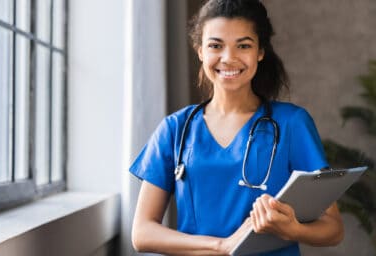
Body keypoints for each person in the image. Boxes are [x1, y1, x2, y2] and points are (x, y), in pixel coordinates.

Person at [129, 0, 344, 255]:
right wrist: (222, 246)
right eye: (215, 46)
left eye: (243, 45)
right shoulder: (175, 129)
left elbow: (333, 228)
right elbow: (142, 233)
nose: (228, 58)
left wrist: (291, 229)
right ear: (200, 51)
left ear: (260, 51)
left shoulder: (292, 124)